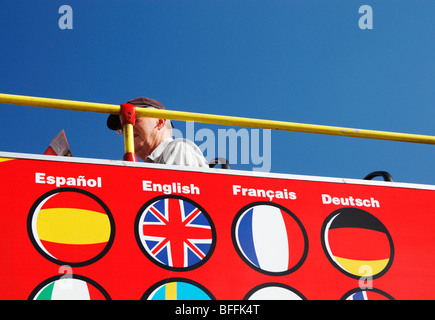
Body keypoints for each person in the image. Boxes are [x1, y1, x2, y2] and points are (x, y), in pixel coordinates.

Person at [107, 97, 208, 167]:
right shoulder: (153, 164)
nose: (127, 128)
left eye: (134, 117)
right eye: (122, 126)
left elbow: (177, 196)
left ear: (160, 121)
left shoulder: (178, 148)